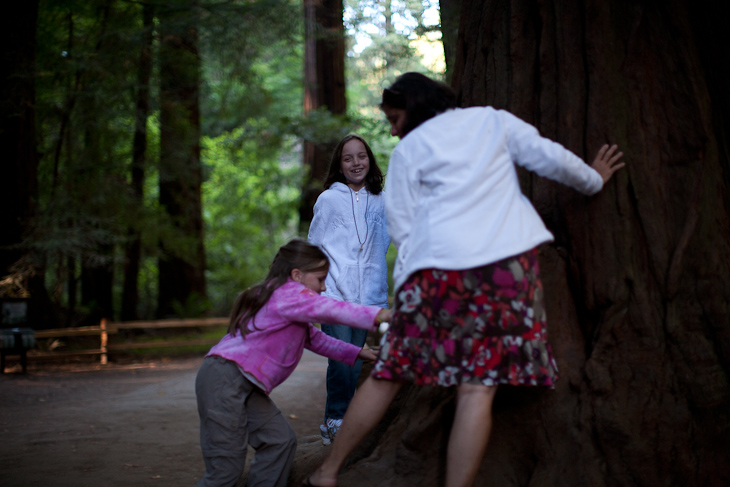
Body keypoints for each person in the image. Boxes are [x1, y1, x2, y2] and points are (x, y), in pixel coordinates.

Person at [305, 73, 625, 487]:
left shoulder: (409, 151)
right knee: (477, 389)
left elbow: (402, 227)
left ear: (416, 105)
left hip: (436, 275)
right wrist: (594, 179)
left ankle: (327, 473)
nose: (393, 128)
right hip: (504, 270)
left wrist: (407, 290)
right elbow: (552, 159)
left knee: (389, 372)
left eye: (395, 117)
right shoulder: (492, 121)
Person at [195, 239, 391, 487]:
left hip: (242, 383)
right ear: (297, 275)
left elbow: (316, 339)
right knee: (225, 469)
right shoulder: (288, 295)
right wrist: (378, 315)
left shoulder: (286, 302)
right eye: (320, 279)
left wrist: (357, 353)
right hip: (225, 378)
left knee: (279, 442)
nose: (323, 287)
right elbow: (332, 310)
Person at [307, 134, 391, 445]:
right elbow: (315, 245)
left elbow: (388, 239)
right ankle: (336, 418)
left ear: (369, 160)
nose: (356, 163)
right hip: (334, 294)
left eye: (361, 156)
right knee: (341, 359)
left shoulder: (382, 200)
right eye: (348, 158)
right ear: (340, 167)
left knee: (356, 360)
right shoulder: (328, 199)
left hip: (368, 296)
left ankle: (340, 420)